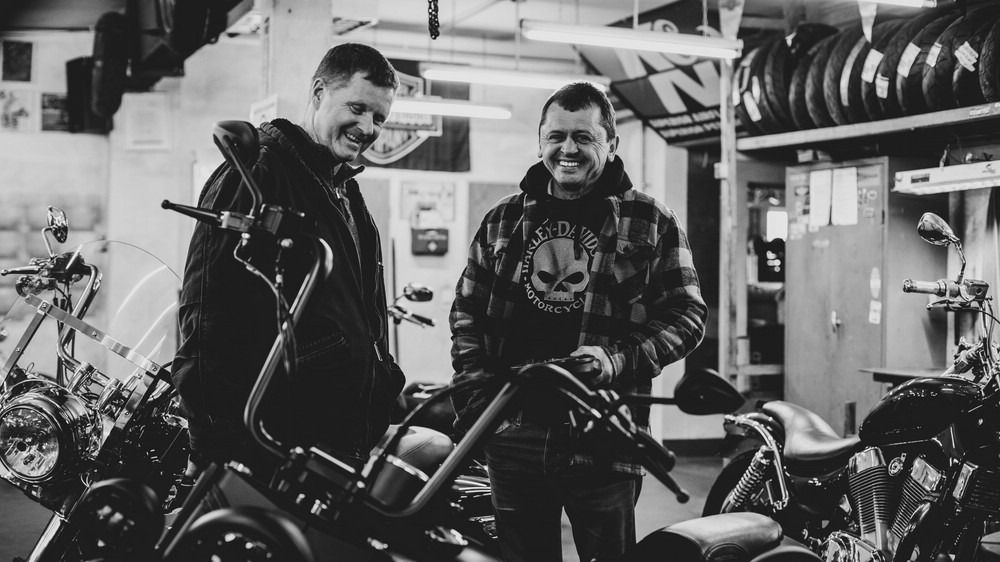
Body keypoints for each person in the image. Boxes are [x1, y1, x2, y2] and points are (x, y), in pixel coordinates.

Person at [450, 82, 708, 562]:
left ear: (611, 143)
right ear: (541, 142)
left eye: (584, 137)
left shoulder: (651, 219)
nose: (567, 149)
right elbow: (467, 310)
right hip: (513, 429)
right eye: (556, 136)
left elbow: (688, 316)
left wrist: (615, 361)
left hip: (604, 435)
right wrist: (477, 398)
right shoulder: (503, 219)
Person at [172, 43, 406, 474]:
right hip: (270, 439)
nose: (367, 127)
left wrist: (383, 386)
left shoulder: (345, 192)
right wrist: (210, 438)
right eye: (357, 108)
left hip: (332, 438)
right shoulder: (259, 173)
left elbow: (363, 316)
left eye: (379, 118)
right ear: (318, 93)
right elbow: (207, 311)